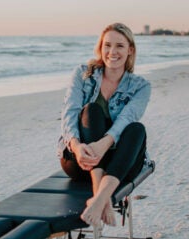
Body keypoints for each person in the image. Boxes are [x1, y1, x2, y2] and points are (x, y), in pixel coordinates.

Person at [58, 22, 151, 227]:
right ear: (100, 48)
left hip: (117, 162)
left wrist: (103, 145)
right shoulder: (83, 75)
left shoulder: (141, 87)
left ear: (130, 50)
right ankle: (103, 200)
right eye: (107, 45)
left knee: (137, 129)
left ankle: (98, 200)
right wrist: (76, 146)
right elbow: (69, 113)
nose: (112, 52)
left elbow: (126, 119)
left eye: (119, 46)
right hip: (81, 159)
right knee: (91, 110)